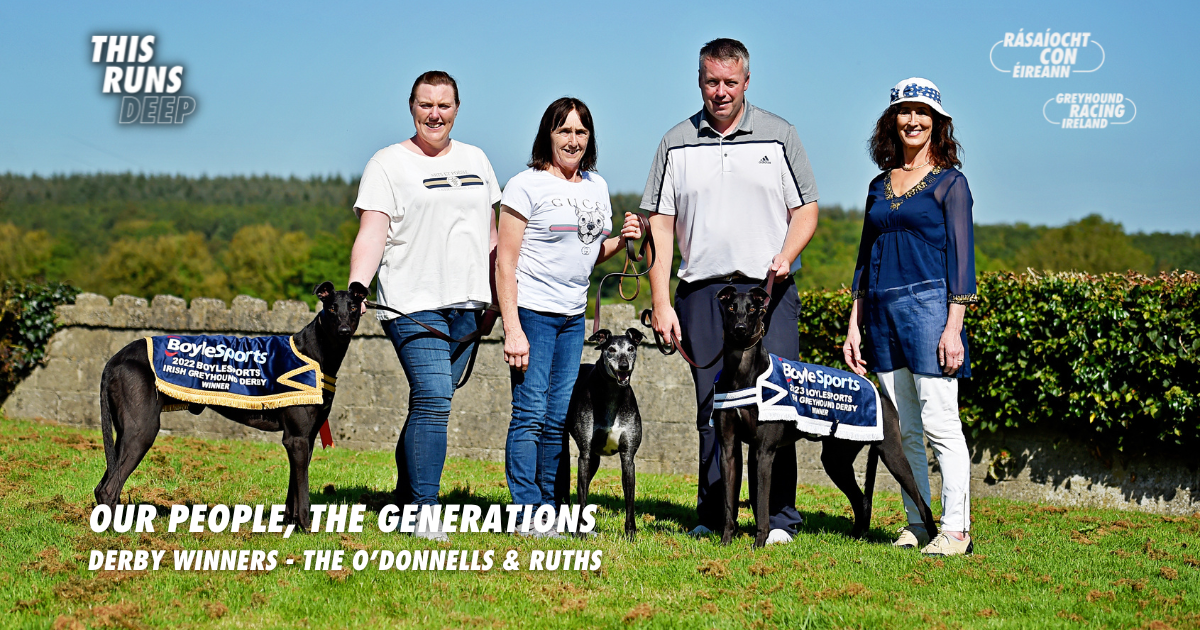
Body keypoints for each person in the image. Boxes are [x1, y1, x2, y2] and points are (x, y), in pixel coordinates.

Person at [641, 38, 820, 544]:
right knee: (711, 410)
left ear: (746, 81)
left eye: (730, 82)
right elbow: (659, 225)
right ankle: (714, 515)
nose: (720, 92)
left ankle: (780, 519)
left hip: (770, 292)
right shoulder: (674, 142)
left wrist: (787, 253)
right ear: (699, 80)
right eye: (710, 81)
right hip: (701, 294)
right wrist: (660, 301)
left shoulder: (780, 135)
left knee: (778, 407)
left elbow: (806, 210)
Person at [348, 71, 501, 541]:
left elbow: (493, 236)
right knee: (434, 396)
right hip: (412, 302)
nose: (435, 114)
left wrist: (500, 297)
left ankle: (401, 496)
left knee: (431, 401)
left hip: (468, 304)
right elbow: (373, 232)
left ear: (457, 108)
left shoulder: (477, 159)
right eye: (425, 104)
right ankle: (423, 510)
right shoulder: (387, 164)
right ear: (411, 107)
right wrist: (357, 287)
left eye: (444, 105)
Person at [842, 77, 978, 557]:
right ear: (892, 121)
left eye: (923, 113)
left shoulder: (951, 183)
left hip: (929, 307)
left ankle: (956, 529)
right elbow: (865, 256)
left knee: (941, 422)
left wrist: (953, 327)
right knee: (904, 428)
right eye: (904, 112)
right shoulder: (878, 186)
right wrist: (855, 323)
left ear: (937, 123)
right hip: (879, 310)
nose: (913, 121)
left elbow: (962, 259)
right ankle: (918, 521)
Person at [496, 97, 642, 529]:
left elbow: (589, 252)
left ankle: (550, 507)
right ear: (548, 135)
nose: (573, 140)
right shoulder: (525, 186)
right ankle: (526, 510)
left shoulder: (597, 186)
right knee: (530, 414)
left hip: (572, 318)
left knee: (558, 417)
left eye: (581, 132)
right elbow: (505, 262)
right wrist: (513, 328)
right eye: (564, 131)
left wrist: (625, 239)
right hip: (533, 314)